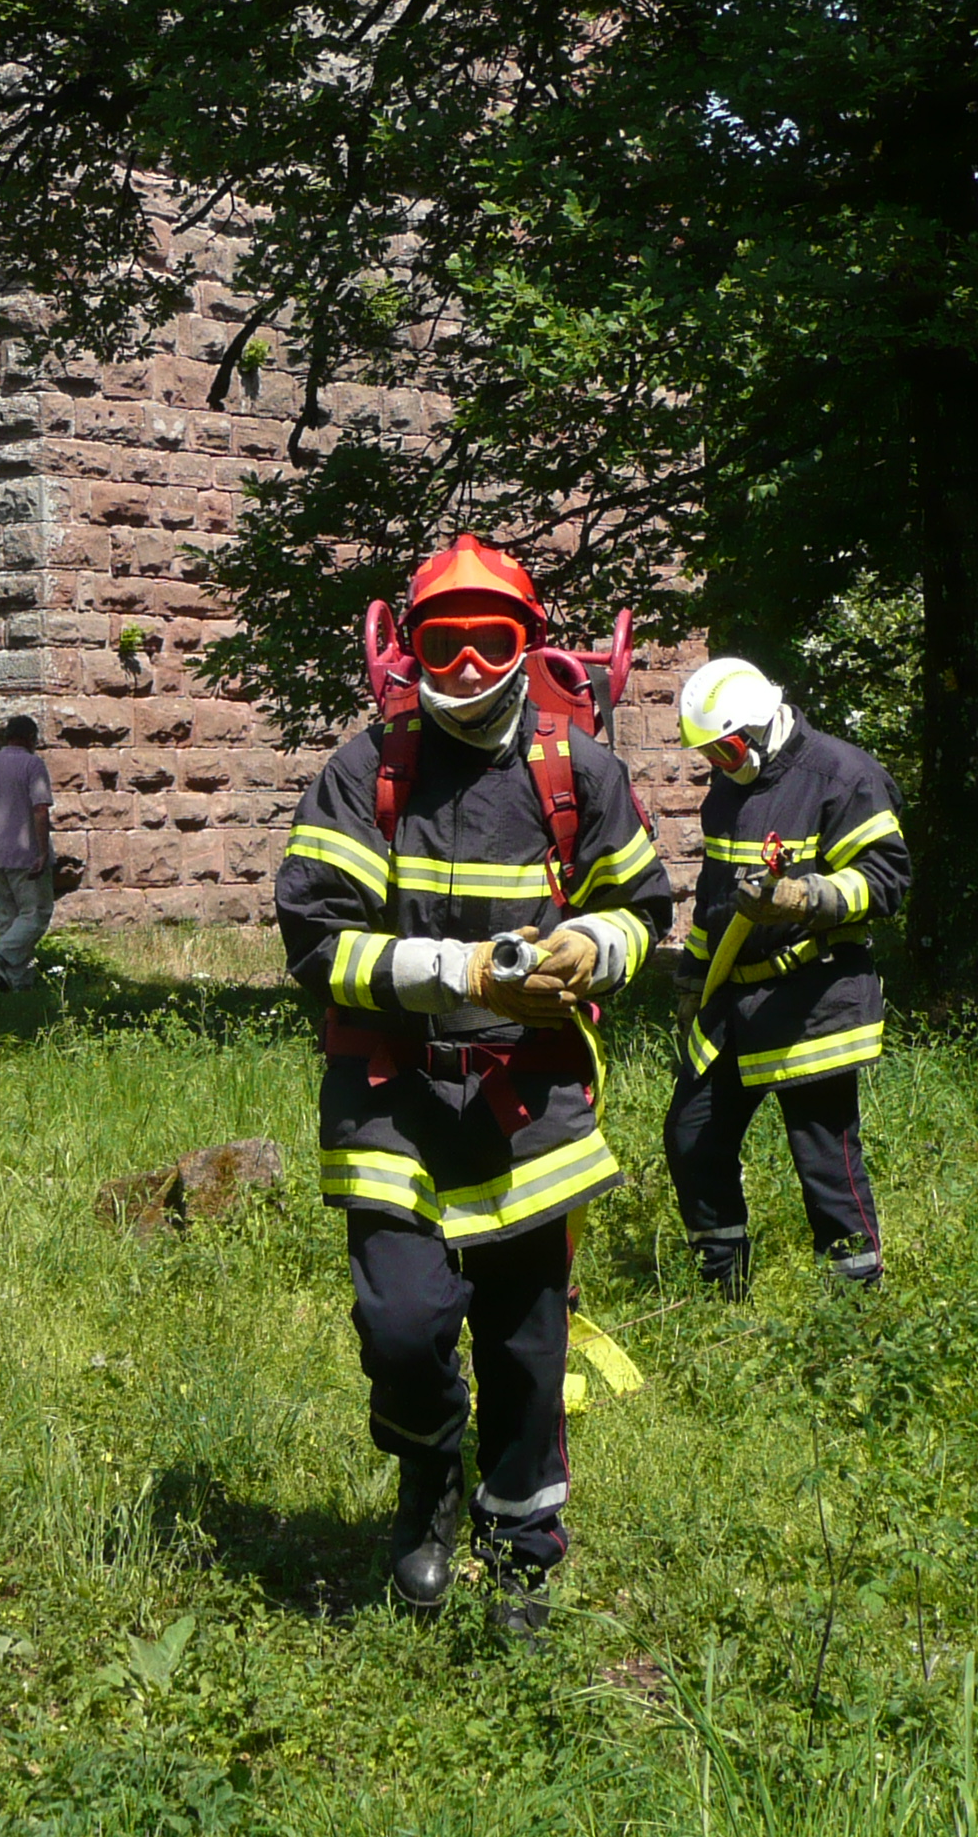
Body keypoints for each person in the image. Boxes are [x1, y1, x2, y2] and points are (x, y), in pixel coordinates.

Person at [275, 535, 676, 1632]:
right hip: (391, 1098)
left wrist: (594, 947)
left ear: (526, 644)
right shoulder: (366, 771)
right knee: (403, 1327)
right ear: (410, 648)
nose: (463, 665)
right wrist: (462, 973)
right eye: (441, 641)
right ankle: (428, 1472)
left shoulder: (577, 771)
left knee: (527, 1345)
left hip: (529, 1102)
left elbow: (645, 910)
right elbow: (316, 940)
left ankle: (522, 1549)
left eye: (487, 641)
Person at [663, 654, 911, 1299]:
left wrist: (808, 898)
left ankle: (855, 1304)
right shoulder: (731, 788)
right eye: (708, 754)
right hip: (734, 996)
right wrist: (692, 980)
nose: (718, 763)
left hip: (812, 994)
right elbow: (715, 898)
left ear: (759, 724)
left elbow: (887, 880)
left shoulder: (842, 776)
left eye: (725, 748)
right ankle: (720, 1292)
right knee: (691, 1135)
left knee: (824, 1158)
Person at [0, 713, 55, 991]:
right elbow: (40, 809)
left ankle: (16, 984)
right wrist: (42, 852)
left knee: (8, 920)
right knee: (36, 914)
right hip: (24, 853)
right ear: (31, 738)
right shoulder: (33, 764)